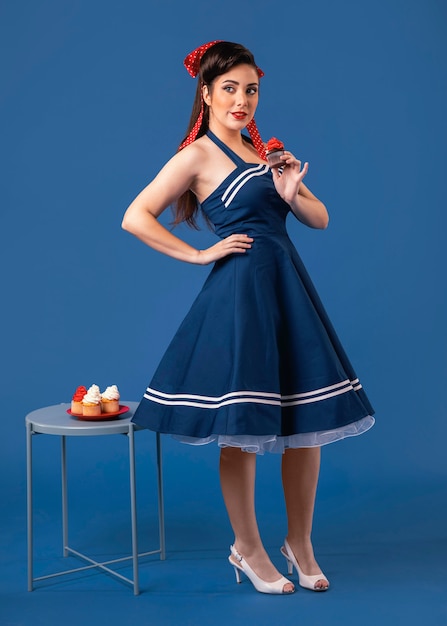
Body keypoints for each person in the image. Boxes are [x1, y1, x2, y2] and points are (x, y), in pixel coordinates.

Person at [122, 40, 375, 595]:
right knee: (242, 430)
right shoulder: (196, 156)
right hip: (241, 297)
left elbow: (320, 218)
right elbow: (135, 216)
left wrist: (288, 188)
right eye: (230, 89)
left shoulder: (268, 153)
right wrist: (197, 254)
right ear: (207, 93)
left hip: (288, 289)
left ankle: (299, 544)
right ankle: (249, 548)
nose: (242, 100)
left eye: (251, 90)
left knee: (305, 426)